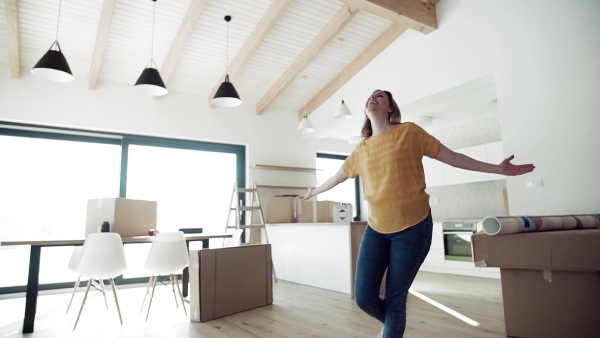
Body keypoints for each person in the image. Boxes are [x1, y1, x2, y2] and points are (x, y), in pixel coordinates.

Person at [300, 89, 535, 338]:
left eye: (380, 96)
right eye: (370, 95)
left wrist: (497, 169)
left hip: (413, 228)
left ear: (390, 107)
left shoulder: (409, 132)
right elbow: (338, 177)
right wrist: (313, 191)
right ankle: (392, 326)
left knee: (394, 299)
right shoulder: (362, 149)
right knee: (364, 298)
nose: (373, 97)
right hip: (377, 229)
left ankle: (391, 329)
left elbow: (452, 157)